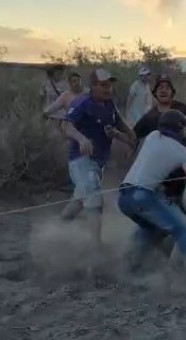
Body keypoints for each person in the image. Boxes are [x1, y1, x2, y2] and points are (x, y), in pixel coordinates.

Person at [118, 110, 186, 270]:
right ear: (180, 128)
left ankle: (133, 264)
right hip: (144, 197)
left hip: (124, 198)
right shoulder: (184, 153)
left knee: (153, 228)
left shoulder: (152, 136)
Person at [62, 68, 136, 247]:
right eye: (103, 85)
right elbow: (66, 125)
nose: (108, 89)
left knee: (80, 200)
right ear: (93, 86)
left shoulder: (110, 105)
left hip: (97, 164)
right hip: (80, 160)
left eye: (109, 85)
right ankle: (96, 250)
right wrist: (81, 138)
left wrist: (128, 141)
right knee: (94, 199)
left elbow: (126, 130)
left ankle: (59, 228)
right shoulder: (83, 103)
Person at [134, 74, 186, 140]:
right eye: (160, 88)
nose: (164, 91)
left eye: (167, 88)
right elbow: (134, 136)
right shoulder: (149, 118)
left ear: (172, 92)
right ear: (155, 92)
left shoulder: (183, 109)